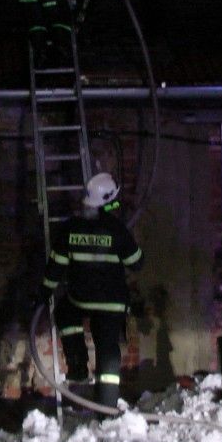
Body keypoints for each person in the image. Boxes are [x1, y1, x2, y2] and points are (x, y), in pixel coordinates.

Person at [41, 172, 142, 409]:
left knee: (65, 313)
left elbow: (55, 267)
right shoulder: (117, 230)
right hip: (113, 304)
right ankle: (106, 406)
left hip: (81, 299)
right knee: (108, 347)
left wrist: (43, 293)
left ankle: (77, 368)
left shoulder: (70, 229)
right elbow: (137, 263)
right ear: (108, 202)